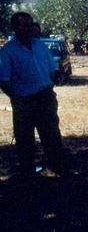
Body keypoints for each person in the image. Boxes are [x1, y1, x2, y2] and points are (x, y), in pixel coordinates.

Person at [0, 12, 67, 178]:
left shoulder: (39, 45)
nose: (30, 28)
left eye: (31, 24)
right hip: (24, 101)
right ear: (16, 28)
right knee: (25, 140)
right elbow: (3, 81)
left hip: (45, 98)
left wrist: (57, 76)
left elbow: (53, 68)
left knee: (51, 135)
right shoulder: (8, 51)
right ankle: (28, 175)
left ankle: (59, 169)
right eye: (25, 25)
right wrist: (16, 99)